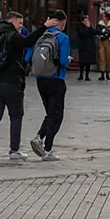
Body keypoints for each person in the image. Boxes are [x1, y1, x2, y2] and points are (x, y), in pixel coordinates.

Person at [0, 12, 53, 161]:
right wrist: (44, 27)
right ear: (11, 22)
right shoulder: (12, 36)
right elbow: (28, 41)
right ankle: (14, 150)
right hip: (10, 83)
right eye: (19, 23)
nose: (21, 26)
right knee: (16, 116)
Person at [30, 10, 72, 161]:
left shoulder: (39, 36)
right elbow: (62, 61)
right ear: (63, 23)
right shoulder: (63, 38)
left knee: (50, 112)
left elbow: (28, 56)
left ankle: (40, 137)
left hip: (40, 79)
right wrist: (67, 59)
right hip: (56, 78)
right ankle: (47, 149)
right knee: (57, 115)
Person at [76, 15, 98, 81]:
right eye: (85, 21)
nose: (87, 22)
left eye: (87, 20)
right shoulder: (80, 27)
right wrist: (87, 28)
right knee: (82, 61)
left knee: (88, 61)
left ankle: (87, 76)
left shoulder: (90, 27)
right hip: (83, 46)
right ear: (82, 21)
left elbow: (95, 32)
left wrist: (89, 27)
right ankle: (81, 75)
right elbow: (83, 34)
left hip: (90, 46)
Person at [97, 12, 110, 80]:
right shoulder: (100, 23)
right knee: (102, 57)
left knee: (108, 57)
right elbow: (98, 32)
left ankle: (107, 73)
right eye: (102, 16)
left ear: (107, 17)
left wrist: (109, 35)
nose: (103, 17)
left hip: (109, 41)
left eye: (104, 16)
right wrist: (102, 35)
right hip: (101, 41)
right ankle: (102, 74)